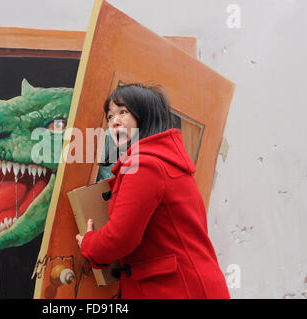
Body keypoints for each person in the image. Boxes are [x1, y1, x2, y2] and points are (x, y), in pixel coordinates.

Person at [75, 83, 230, 299]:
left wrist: (89, 243)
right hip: (188, 285)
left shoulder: (145, 165)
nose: (114, 121)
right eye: (109, 116)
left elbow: (121, 237)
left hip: (177, 289)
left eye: (123, 111)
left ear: (144, 116)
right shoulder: (165, 160)